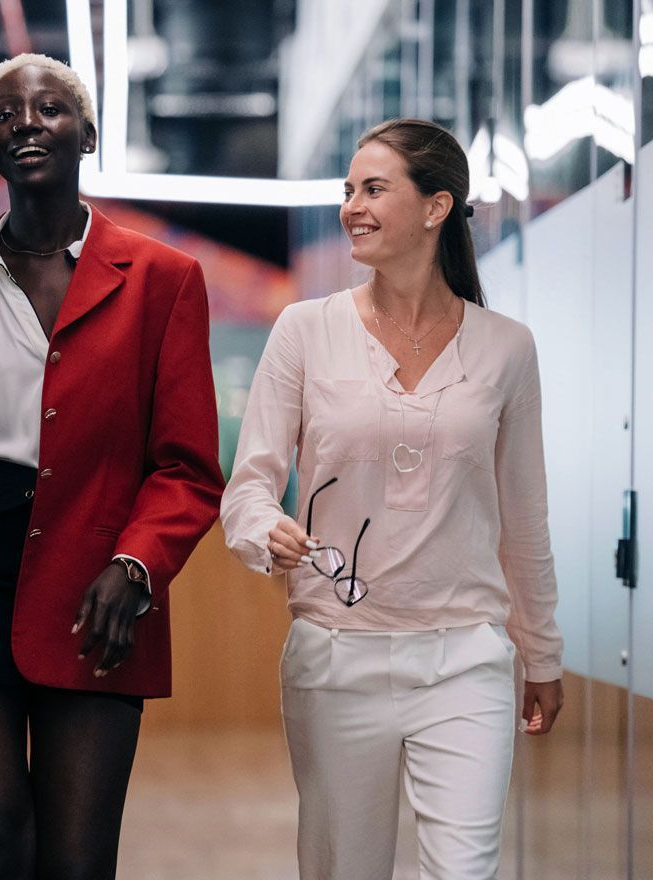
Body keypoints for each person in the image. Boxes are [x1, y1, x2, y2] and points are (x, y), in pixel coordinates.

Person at [0, 53, 224, 880]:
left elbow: (189, 466)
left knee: (76, 859)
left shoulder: (165, 281)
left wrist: (136, 566)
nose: (28, 122)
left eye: (51, 108)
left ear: (88, 134)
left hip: (99, 585)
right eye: (7, 114)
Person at [220, 118, 564, 879]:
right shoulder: (304, 331)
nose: (352, 207)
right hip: (335, 660)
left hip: (466, 660)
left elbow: (524, 516)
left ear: (437, 207)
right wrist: (263, 529)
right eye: (348, 191)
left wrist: (540, 650)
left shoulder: (509, 348)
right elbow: (249, 486)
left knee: (465, 871)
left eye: (374, 189)